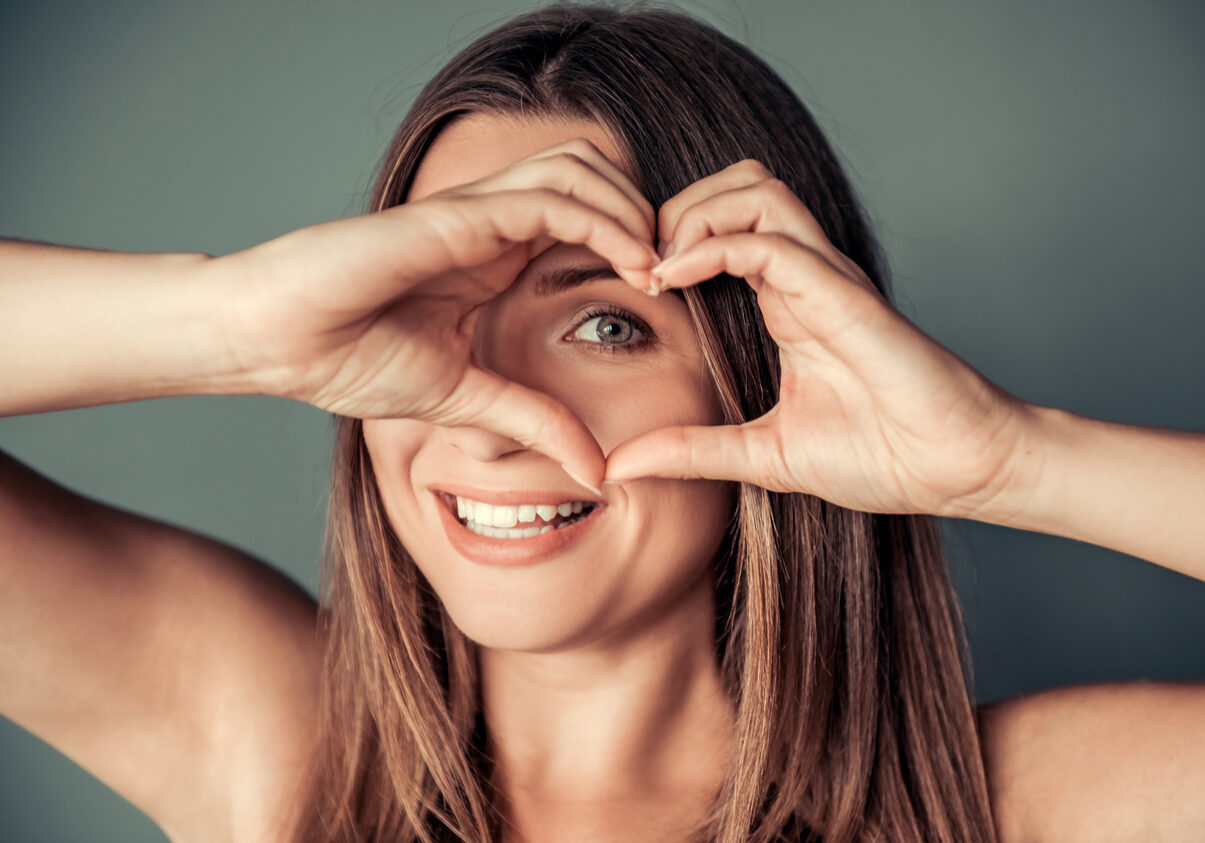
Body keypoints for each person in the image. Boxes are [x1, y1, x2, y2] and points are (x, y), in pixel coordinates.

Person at [1, 3, 1202, 842]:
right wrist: (240, 321)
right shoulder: (268, 745)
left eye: (605, 326)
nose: (490, 416)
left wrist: (1005, 458)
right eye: (429, 309)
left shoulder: (1020, 806)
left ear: (766, 370)